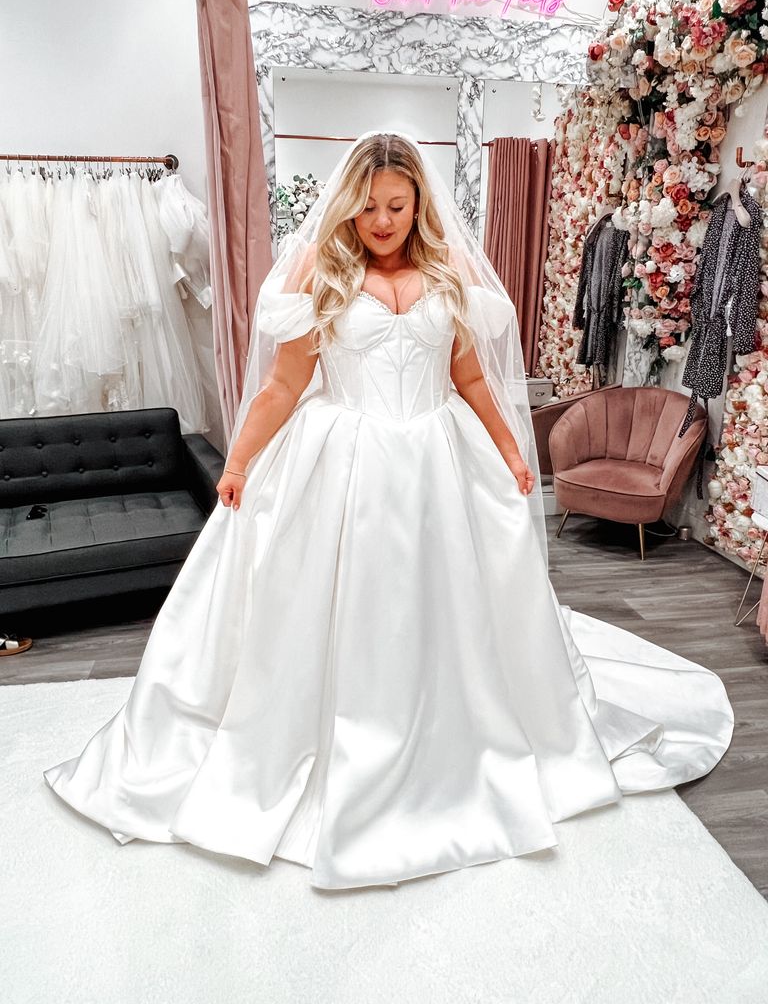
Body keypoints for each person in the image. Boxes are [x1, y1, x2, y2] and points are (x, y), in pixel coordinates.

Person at [44, 130, 734, 892]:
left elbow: (469, 376)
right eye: (368, 207)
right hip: (344, 458)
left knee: (447, 606)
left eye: (396, 206)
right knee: (349, 605)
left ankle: (457, 739)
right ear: (348, 206)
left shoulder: (447, 273)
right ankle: (341, 741)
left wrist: (511, 450)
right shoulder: (322, 271)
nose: (380, 221)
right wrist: (237, 463)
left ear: (418, 204)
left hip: (439, 459)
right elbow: (280, 386)